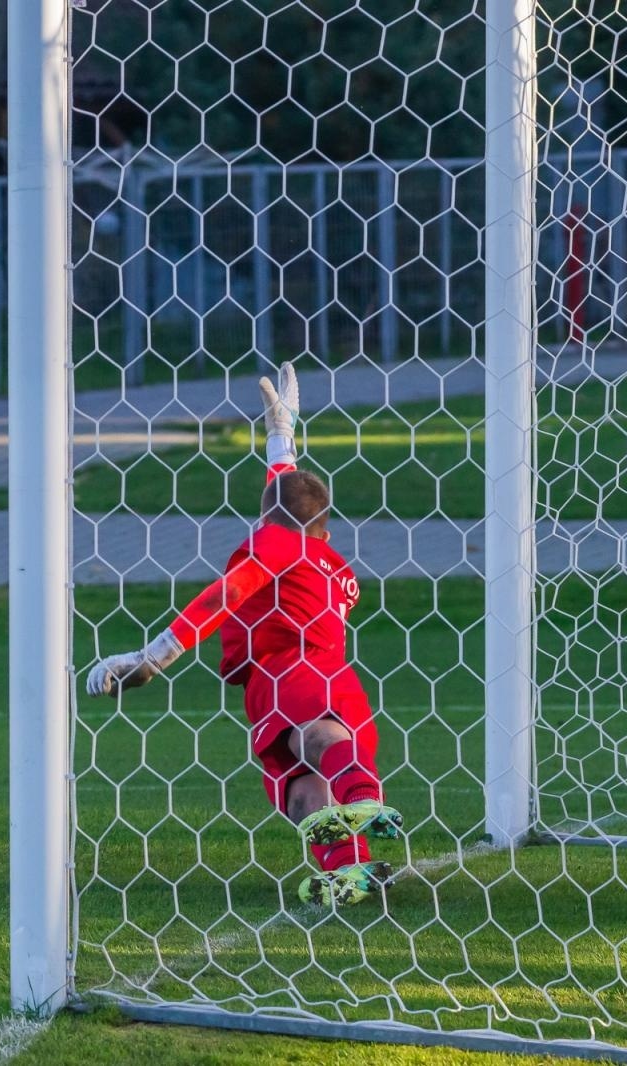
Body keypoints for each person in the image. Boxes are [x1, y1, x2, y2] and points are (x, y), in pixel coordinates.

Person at [85, 363, 403, 905]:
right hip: (332, 675)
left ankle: (364, 800)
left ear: (268, 521)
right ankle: (352, 871)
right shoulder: (332, 563)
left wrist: (152, 657)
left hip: (288, 671)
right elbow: (289, 501)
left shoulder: (278, 545)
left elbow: (225, 595)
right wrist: (282, 437)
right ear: (325, 527)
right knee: (301, 787)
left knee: (313, 741)